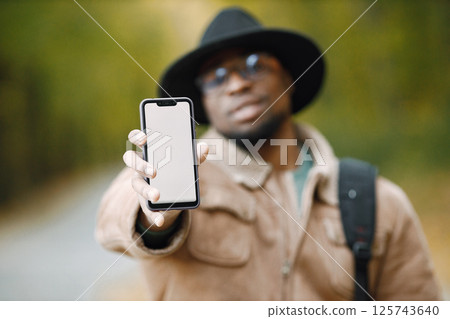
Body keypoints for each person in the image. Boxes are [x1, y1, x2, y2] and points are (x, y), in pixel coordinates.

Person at [96, 7, 441, 300]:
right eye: (217, 77)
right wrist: (156, 218)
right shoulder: (178, 172)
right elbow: (117, 215)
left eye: (254, 64)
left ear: (290, 78)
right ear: (203, 101)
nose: (237, 84)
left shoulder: (378, 201)